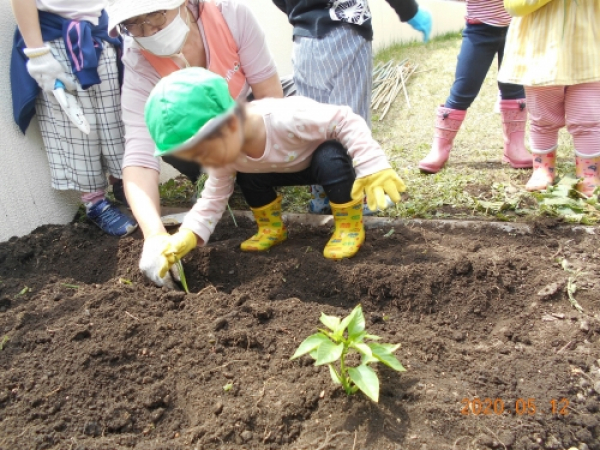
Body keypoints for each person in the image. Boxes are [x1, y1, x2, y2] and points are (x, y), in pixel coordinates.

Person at [139, 68, 406, 288]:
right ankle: (271, 228)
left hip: (313, 163)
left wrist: (372, 165)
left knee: (331, 156)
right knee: (245, 176)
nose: (205, 160)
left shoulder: (286, 117)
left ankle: (348, 226)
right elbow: (214, 196)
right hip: (270, 171)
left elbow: (345, 120)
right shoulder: (225, 154)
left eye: (204, 149)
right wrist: (188, 234)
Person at [106, 0, 289, 252]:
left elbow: (269, 95)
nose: (148, 32)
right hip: (207, 139)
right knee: (165, 129)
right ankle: (219, 174)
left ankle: (244, 173)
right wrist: (155, 235)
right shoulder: (138, 59)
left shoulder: (231, 16)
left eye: (156, 15)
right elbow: (139, 156)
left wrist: (258, 156)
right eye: (132, 24)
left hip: (249, 112)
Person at [273, 0, 432, 214]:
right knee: (350, 119)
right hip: (345, 29)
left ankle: (321, 195)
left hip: (304, 39)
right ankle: (355, 196)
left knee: (313, 121)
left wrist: (303, 11)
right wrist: (410, 11)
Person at [10, 0, 137, 237]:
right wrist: (38, 55)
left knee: (116, 118)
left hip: (100, 32)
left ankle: (125, 184)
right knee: (77, 129)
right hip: (55, 42)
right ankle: (95, 203)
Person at [499, 0, 600, 197]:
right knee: (543, 118)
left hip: (588, 53)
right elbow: (514, 6)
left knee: (588, 118)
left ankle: (589, 175)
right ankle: (543, 170)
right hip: (541, 56)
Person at [418, 0, 531, 174]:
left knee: (513, 86)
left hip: (517, 27)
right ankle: (440, 149)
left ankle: (514, 147)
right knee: (464, 88)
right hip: (479, 30)